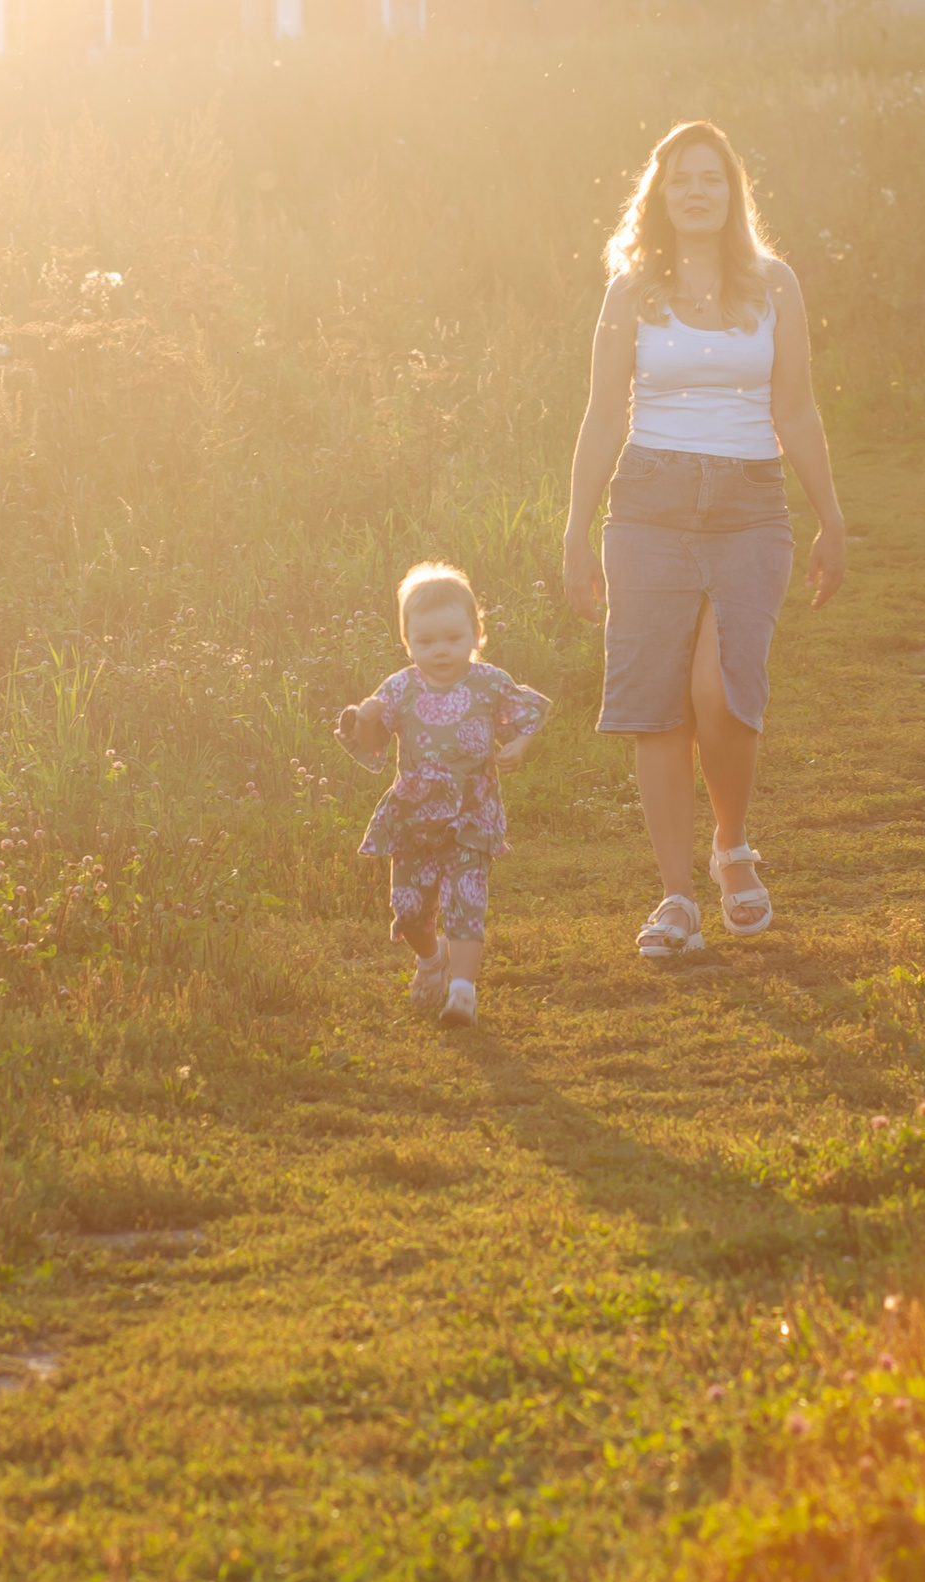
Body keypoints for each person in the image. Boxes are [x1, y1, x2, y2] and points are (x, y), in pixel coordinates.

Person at [559, 119, 848, 959]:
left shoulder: (775, 285)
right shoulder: (630, 292)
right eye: (681, 178)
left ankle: (732, 845)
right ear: (659, 193)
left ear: (732, 195)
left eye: (711, 179)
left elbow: (794, 407)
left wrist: (831, 517)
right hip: (647, 505)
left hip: (750, 506)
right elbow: (603, 415)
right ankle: (677, 899)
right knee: (657, 705)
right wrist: (575, 533)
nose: (696, 190)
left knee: (722, 691)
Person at [336, 564, 551, 1028]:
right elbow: (371, 734)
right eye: (427, 641)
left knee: (465, 900)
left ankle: (463, 991)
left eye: (453, 638)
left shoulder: (488, 683)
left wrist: (517, 744)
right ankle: (433, 960)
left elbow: (527, 711)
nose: (440, 651)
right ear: (408, 642)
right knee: (410, 911)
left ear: (476, 634)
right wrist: (366, 715)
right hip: (414, 817)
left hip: (472, 814)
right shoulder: (400, 688)